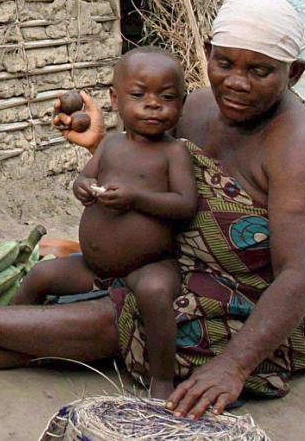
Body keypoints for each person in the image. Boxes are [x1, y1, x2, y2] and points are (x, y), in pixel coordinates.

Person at [0, 0, 305, 419]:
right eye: (225, 64)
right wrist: (99, 148)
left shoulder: (298, 149)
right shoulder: (193, 107)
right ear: (208, 55)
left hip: (293, 305)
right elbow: (156, 169)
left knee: (144, 309)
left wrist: (233, 366)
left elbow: (299, 275)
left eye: (259, 71)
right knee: (118, 290)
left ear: (293, 73)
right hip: (200, 274)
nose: (236, 82)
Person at [11, 47, 197, 399]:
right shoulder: (110, 145)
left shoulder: (173, 153)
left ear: (182, 103)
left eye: (167, 97)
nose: (153, 104)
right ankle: (9, 331)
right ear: (115, 98)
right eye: (139, 95)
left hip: (150, 264)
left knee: (155, 292)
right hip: (94, 266)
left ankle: (161, 379)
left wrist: (136, 198)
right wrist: (82, 187)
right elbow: (83, 178)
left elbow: (185, 205)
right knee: (41, 275)